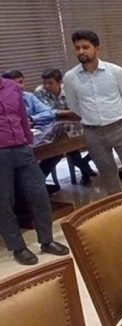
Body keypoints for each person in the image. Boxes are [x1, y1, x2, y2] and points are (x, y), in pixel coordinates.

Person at [63, 29, 122, 196]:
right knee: (108, 176)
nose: (81, 51)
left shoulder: (116, 72)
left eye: (85, 47)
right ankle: (118, 208)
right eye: (77, 48)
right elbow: (73, 104)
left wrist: (117, 115)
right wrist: (90, 117)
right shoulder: (70, 77)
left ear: (97, 49)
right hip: (93, 132)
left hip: (120, 127)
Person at [0, 76, 70, 265]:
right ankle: (18, 247)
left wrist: (27, 141)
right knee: (4, 202)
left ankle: (47, 241)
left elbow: (23, 116)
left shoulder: (11, 87)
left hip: (22, 148)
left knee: (39, 194)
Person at [34, 68, 97, 186]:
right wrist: (66, 112)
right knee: (63, 146)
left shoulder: (68, 90)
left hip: (74, 125)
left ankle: (85, 169)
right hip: (51, 128)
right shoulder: (40, 91)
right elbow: (47, 113)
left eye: (50, 83)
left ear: (59, 82)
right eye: (44, 83)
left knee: (93, 141)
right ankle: (85, 169)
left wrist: (60, 113)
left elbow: (78, 110)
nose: (46, 86)